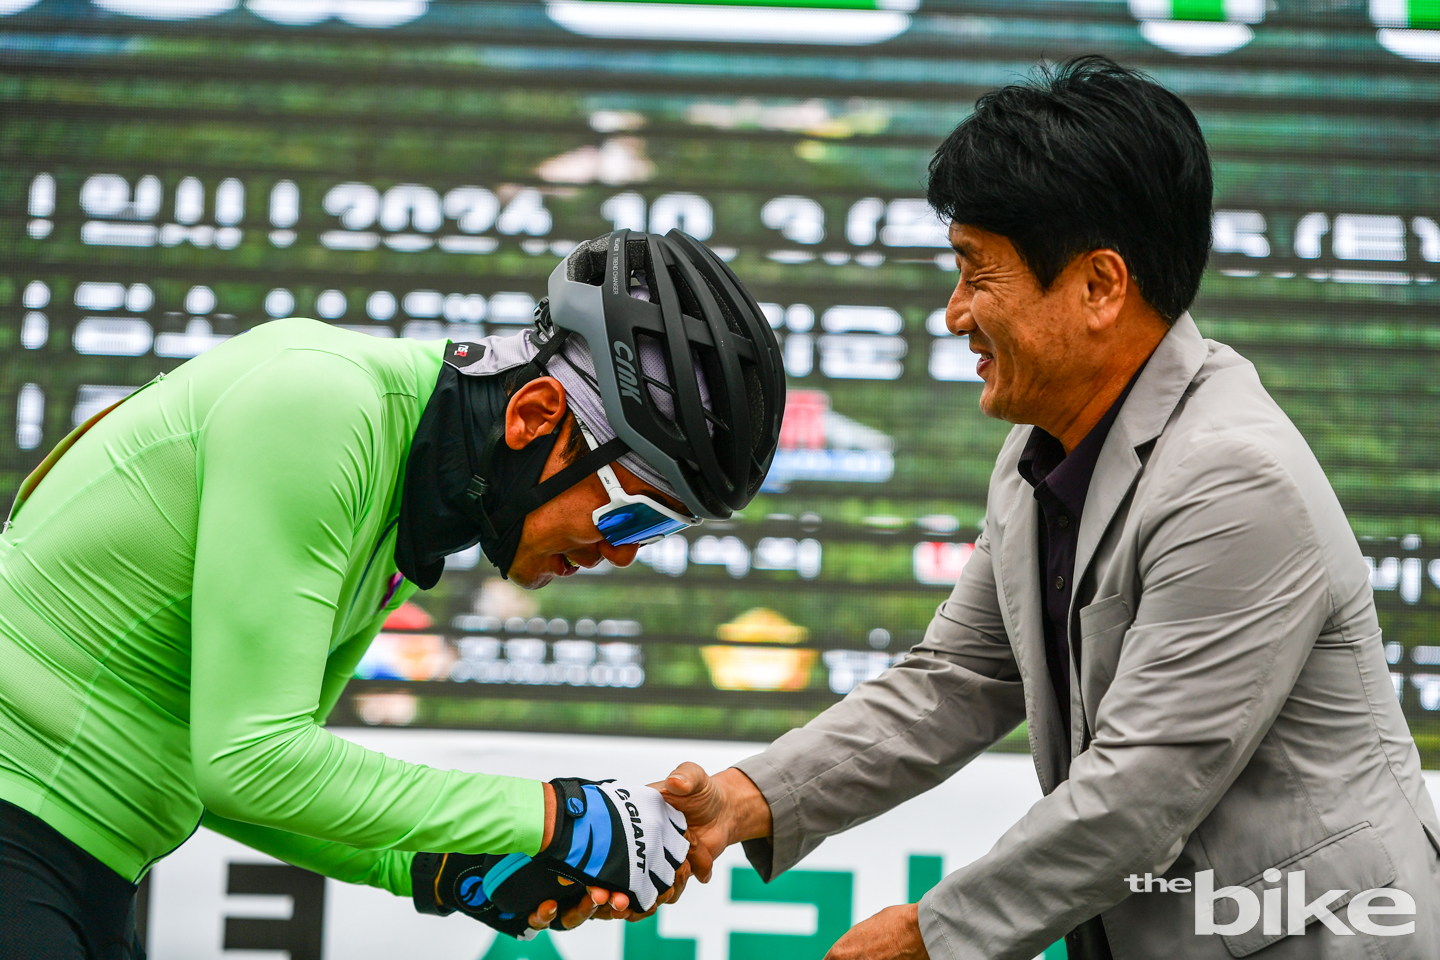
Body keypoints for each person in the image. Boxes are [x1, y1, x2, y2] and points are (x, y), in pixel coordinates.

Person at [659, 57, 1440, 960]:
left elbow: (1139, 797)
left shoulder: (1234, 478)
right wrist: (742, 800)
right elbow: (955, 678)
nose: (953, 314)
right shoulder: (1046, 446)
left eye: (976, 274)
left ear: (1100, 286)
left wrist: (929, 936)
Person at [0, 228, 785, 958]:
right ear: (534, 415)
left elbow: (242, 777)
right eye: (631, 512)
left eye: (656, 533)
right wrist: (558, 817)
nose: (621, 553)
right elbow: (251, 761)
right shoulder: (322, 406)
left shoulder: (413, 494)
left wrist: (442, 869)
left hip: (83, 860)